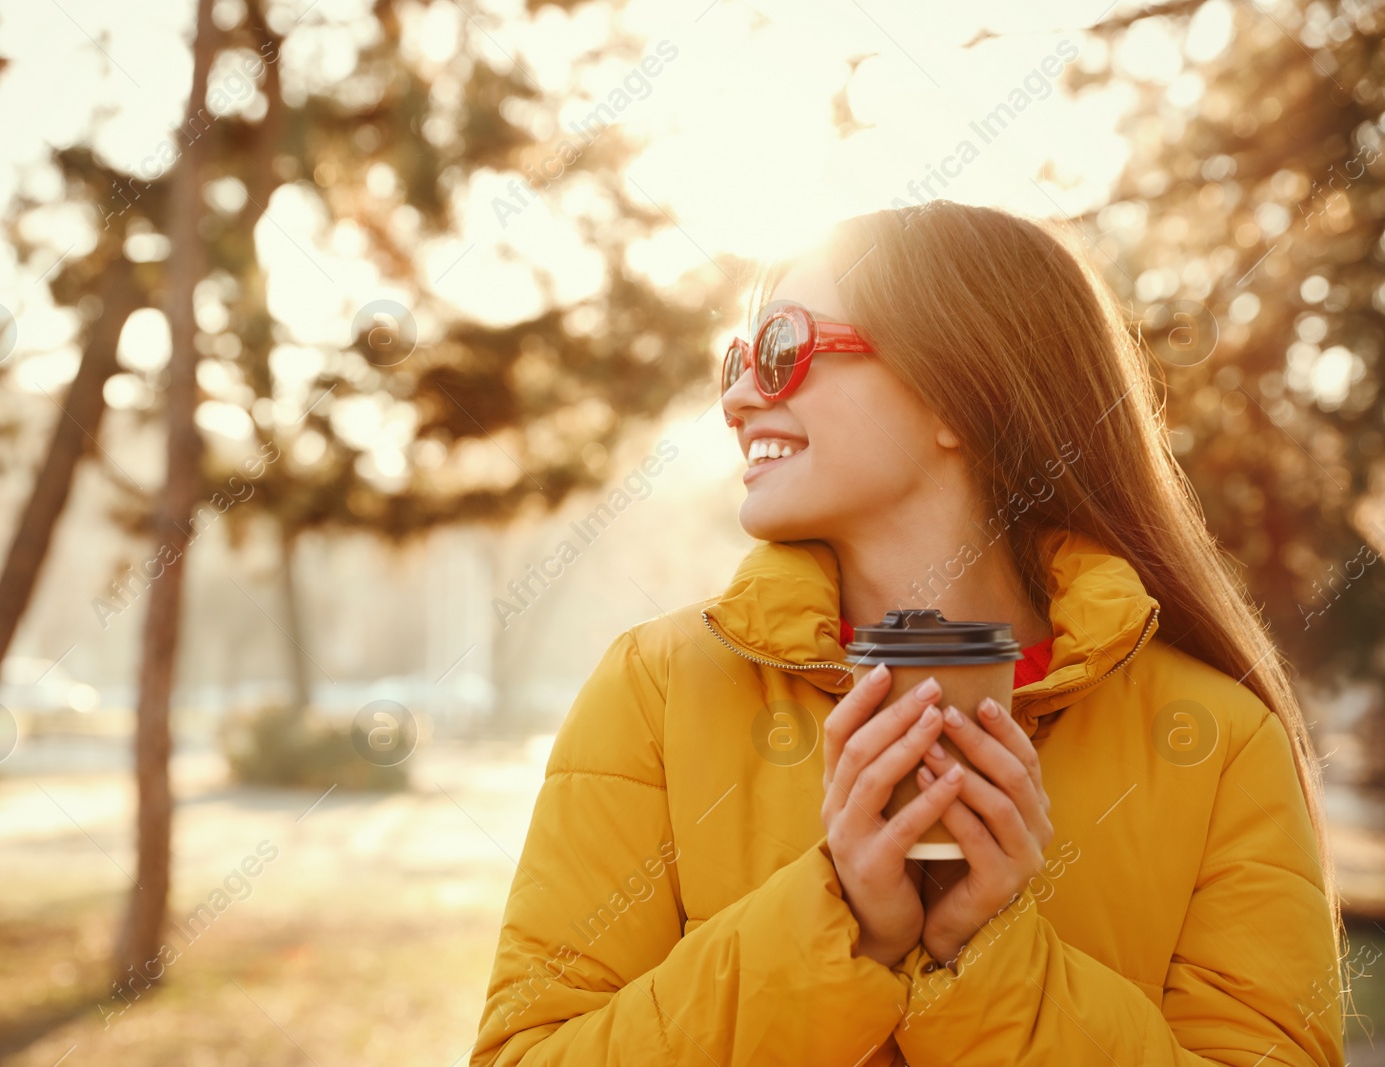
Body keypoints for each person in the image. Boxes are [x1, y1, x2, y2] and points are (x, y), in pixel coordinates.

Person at [469, 201, 1349, 1066]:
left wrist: (991, 957)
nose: (738, 397)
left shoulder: (1219, 740)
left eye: (784, 350)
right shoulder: (656, 689)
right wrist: (838, 920)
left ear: (957, 394)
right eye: (737, 359)